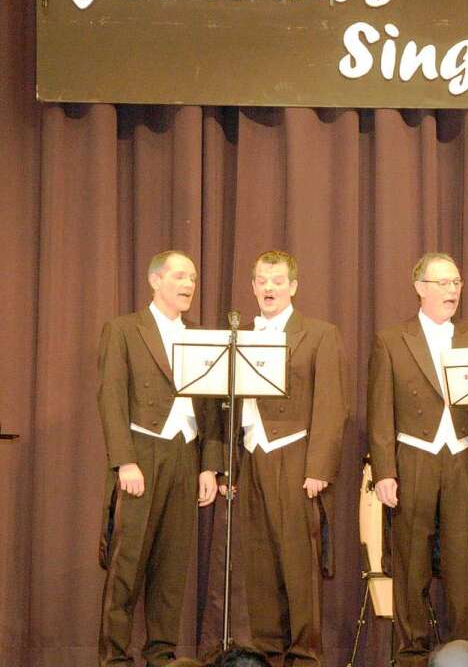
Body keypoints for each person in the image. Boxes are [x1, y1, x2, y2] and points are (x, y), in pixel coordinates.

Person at [97, 250, 221, 666]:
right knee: (128, 564)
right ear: (156, 280)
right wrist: (124, 461)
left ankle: (162, 656)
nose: (189, 285)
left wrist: (209, 465)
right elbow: (111, 398)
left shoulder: (202, 335)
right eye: (180, 276)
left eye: (193, 278)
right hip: (143, 454)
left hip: (185, 453)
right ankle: (114, 658)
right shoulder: (124, 329)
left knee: (171, 567)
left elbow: (212, 408)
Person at [367, 252, 468, 667]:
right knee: (411, 561)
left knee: (465, 563)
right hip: (413, 456)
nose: (452, 290)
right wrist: (384, 470)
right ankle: (412, 653)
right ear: (420, 287)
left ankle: (465, 653)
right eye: (443, 283)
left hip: (461, 455)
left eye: (456, 282)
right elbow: (380, 412)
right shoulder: (391, 339)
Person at [234, 250, 348, 666]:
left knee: (299, 566)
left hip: (296, 456)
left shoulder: (318, 334)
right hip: (252, 455)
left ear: (293, 287)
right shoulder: (239, 335)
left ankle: (304, 656)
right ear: (252, 287)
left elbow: (332, 406)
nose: (269, 288)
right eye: (262, 280)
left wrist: (318, 468)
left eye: (277, 281)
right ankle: (267, 652)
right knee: (260, 563)